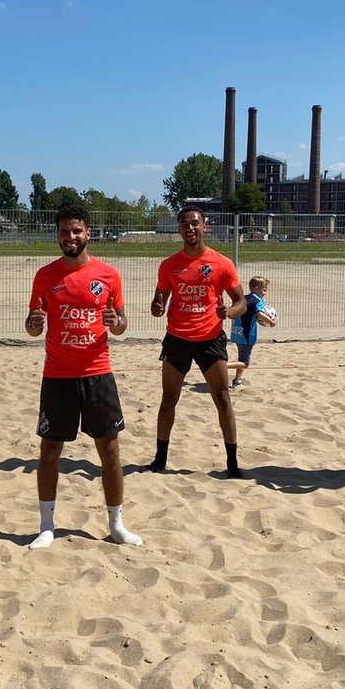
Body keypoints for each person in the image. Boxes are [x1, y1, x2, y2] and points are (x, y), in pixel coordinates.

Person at [24, 206, 142, 549]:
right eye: (64, 232)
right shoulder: (45, 276)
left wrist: (115, 323)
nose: (70, 237)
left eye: (76, 231)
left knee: (110, 449)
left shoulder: (108, 275)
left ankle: (116, 524)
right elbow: (32, 327)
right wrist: (33, 326)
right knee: (49, 451)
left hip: (97, 374)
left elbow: (121, 325)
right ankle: (47, 526)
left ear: (88, 233)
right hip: (58, 375)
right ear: (57, 235)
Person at [147, 205, 247, 477]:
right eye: (184, 225)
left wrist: (230, 311)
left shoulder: (221, 263)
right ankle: (160, 459)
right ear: (178, 228)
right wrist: (156, 307)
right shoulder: (169, 265)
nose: (189, 229)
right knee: (169, 399)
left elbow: (241, 302)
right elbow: (159, 301)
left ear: (204, 226)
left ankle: (232, 463)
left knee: (223, 398)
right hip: (177, 339)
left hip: (210, 339)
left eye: (194, 224)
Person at [226, 276, 277, 388]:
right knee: (245, 363)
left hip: (237, 333)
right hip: (247, 335)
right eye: (264, 290)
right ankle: (222, 366)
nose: (265, 293)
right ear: (256, 289)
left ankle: (237, 381)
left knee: (241, 357)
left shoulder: (244, 298)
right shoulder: (258, 301)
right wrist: (271, 322)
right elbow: (259, 314)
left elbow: (232, 311)